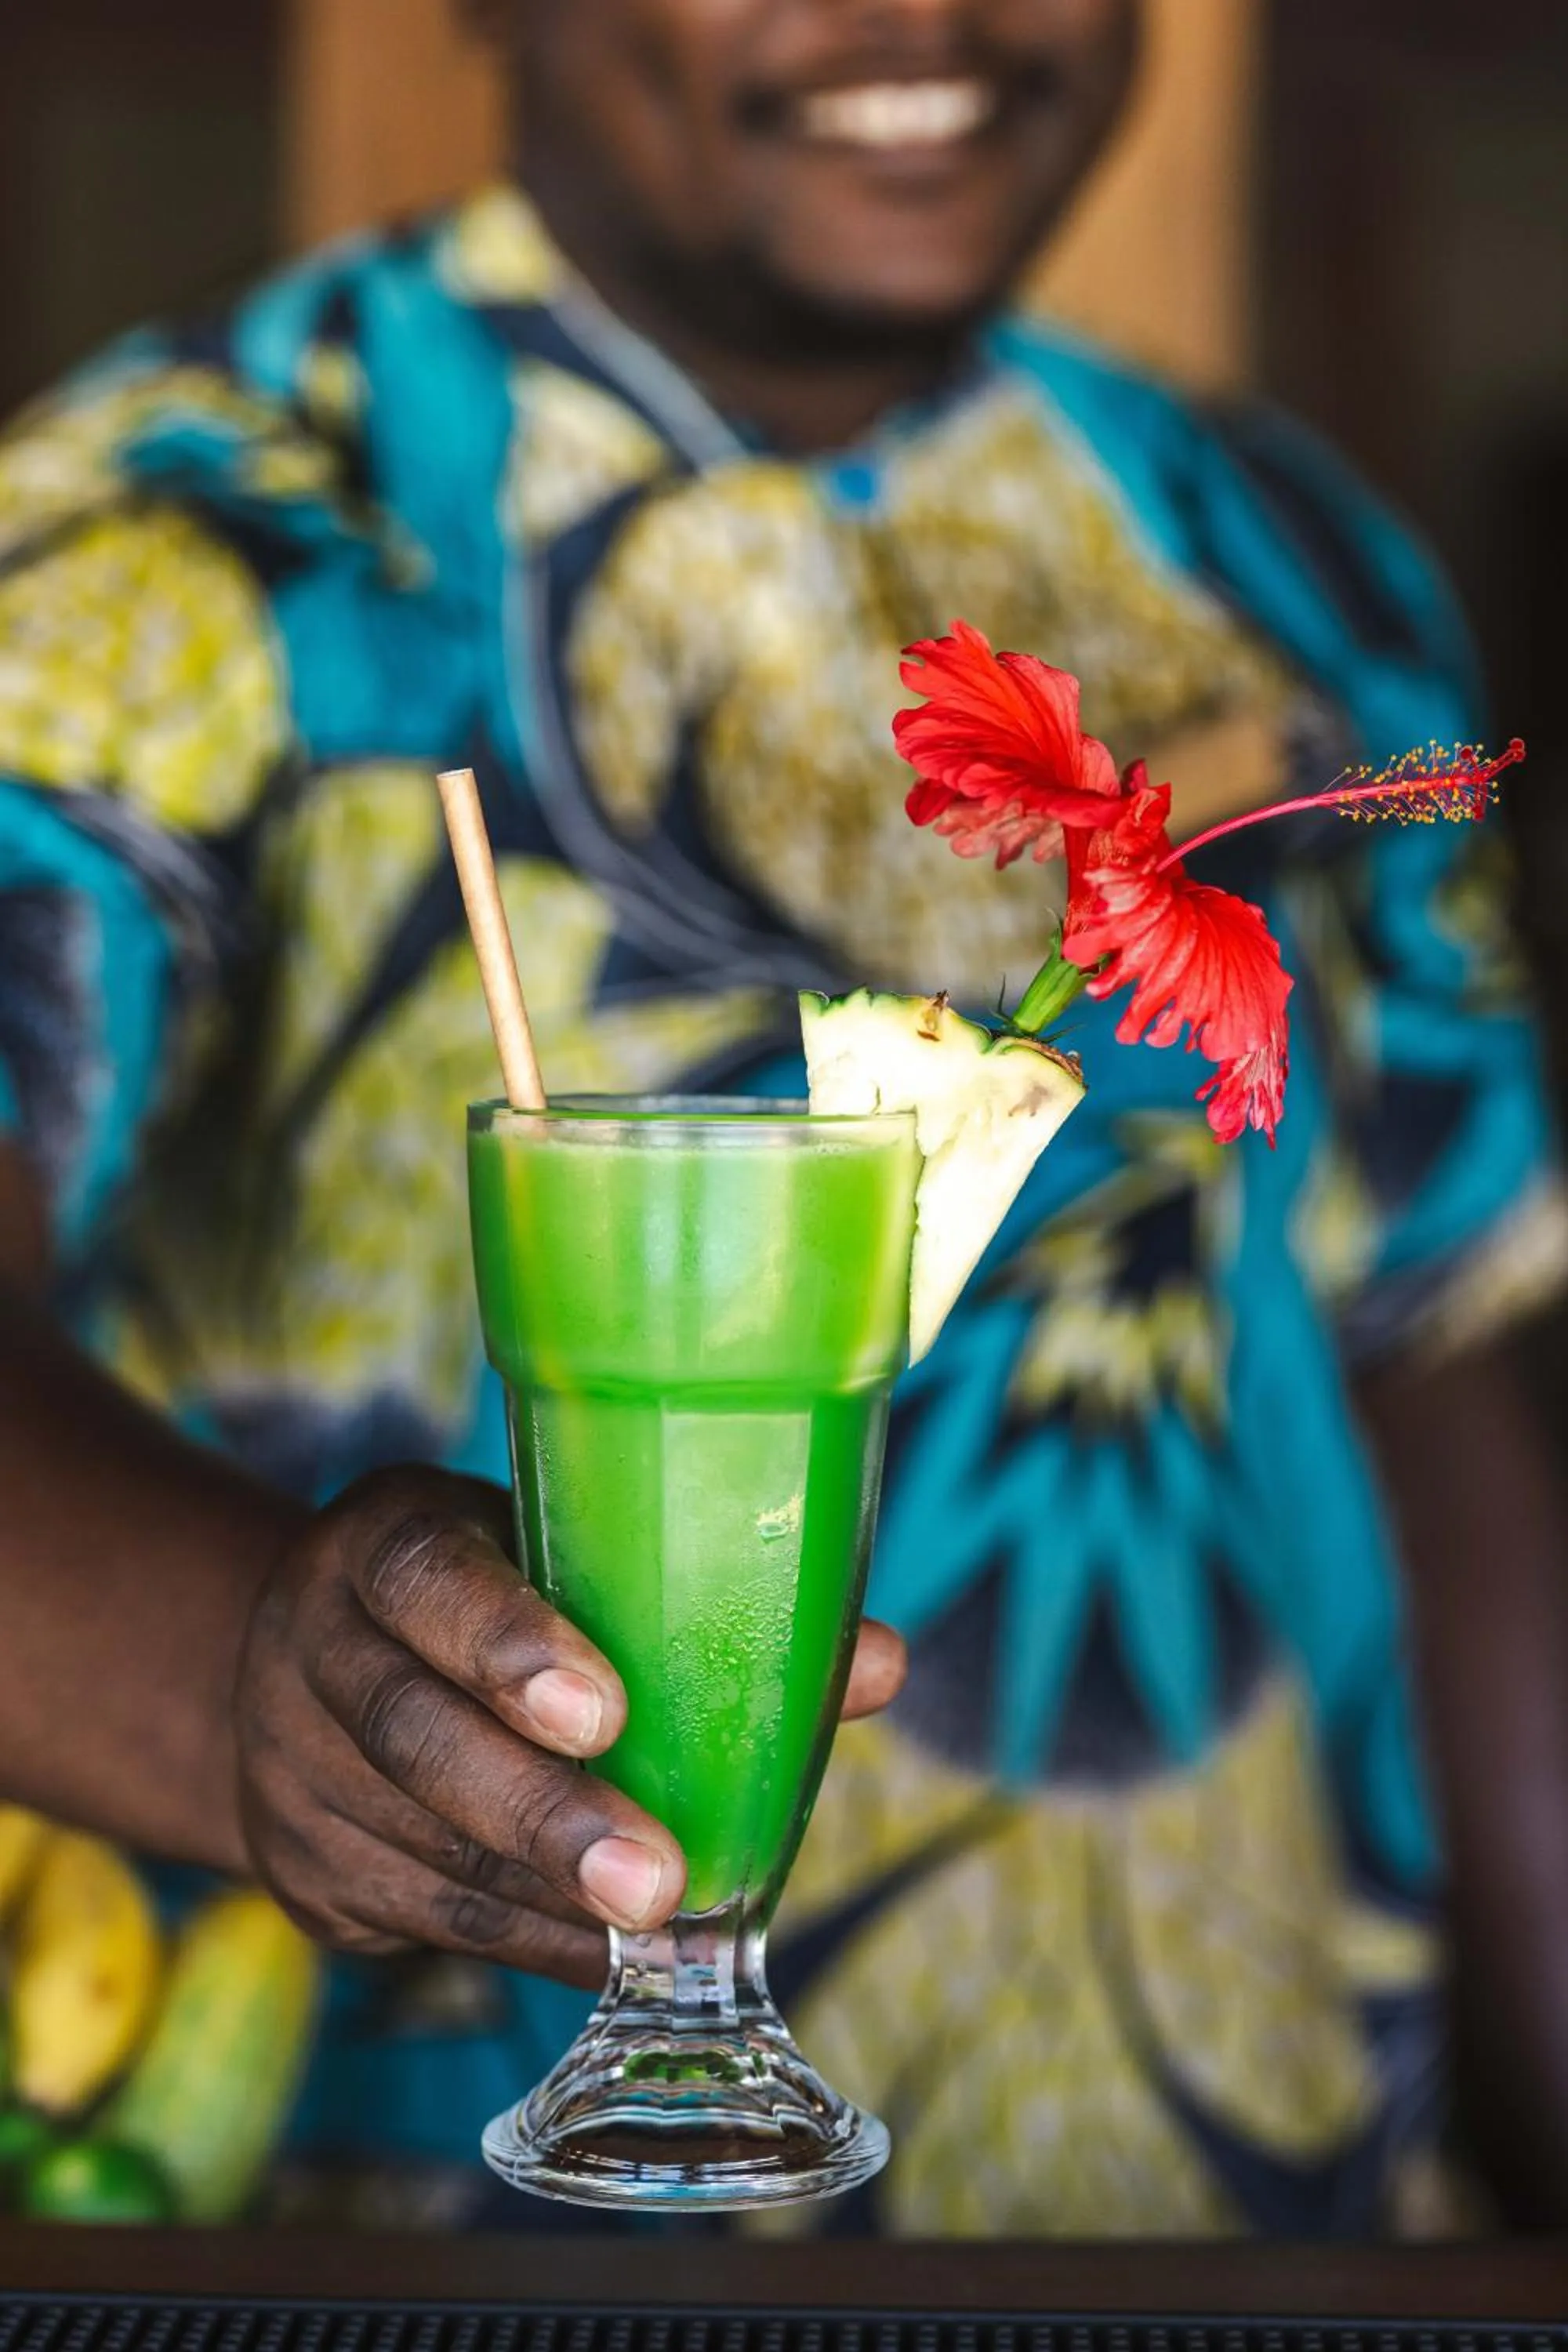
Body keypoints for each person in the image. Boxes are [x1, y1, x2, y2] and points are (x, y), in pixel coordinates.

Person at [2, 0, 1568, 2238]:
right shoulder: (194, 539)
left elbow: (1432, 1377)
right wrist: (254, 1669)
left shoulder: (1287, 567)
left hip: (1245, 2223)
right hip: (447, 2245)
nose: (923, 17)